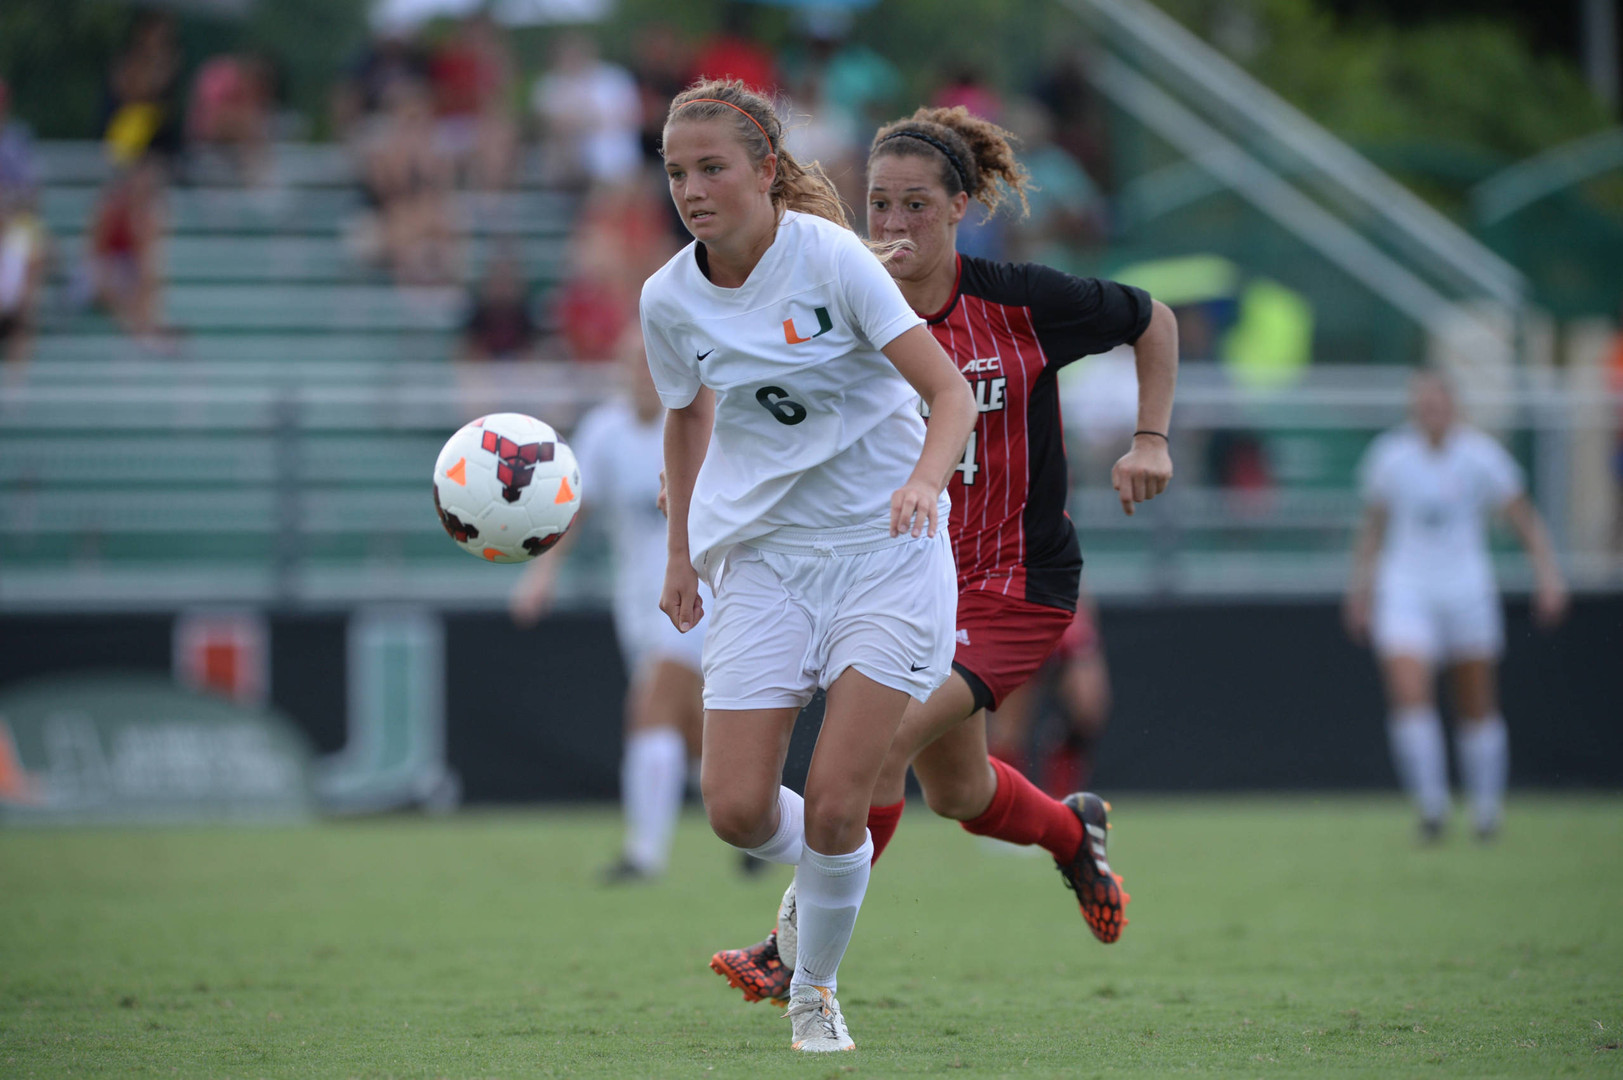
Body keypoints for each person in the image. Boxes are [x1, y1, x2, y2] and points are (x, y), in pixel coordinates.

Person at [708, 105, 1178, 1007]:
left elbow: (1151, 319)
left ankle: (789, 947)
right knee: (961, 794)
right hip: (904, 579)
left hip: (1012, 581)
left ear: (961, 207)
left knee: (875, 746)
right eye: (878, 205)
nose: (892, 227)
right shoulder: (841, 307)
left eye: (915, 206)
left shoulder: (1019, 301)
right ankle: (1072, 836)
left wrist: (1148, 438)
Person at [644, 80, 977, 1051]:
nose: (692, 189)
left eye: (713, 168)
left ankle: (815, 988)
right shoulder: (668, 297)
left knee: (839, 804)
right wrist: (680, 551)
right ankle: (825, 889)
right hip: (766, 563)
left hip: (886, 555)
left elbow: (949, 396)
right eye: (675, 172)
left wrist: (923, 482)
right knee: (738, 811)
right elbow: (684, 413)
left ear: (765, 171)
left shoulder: (831, 258)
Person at [510, 331, 704, 882]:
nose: (643, 373)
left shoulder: (696, 421)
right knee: (692, 727)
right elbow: (577, 508)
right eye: (633, 363)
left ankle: (644, 854)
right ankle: (753, 816)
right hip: (636, 604)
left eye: (652, 363)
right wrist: (542, 573)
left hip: (699, 595)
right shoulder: (604, 431)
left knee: (651, 708)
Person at [1345, 370, 1567, 842]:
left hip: (1467, 591)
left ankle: (1486, 811)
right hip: (1406, 590)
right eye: (1423, 404)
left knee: (1476, 703)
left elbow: (1523, 518)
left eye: (1439, 404)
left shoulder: (1481, 456)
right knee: (1409, 696)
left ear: (1454, 407)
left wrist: (1548, 576)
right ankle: (1432, 808)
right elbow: (1373, 528)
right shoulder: (1390, 456)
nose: (1432, 413)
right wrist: (1360, 591)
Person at [987, 590, 1111, 798]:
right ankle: (1003, 806)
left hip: (1064, 607)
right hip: (1024, 609)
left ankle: (1063, 800)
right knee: (1009, 735)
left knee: (1088, 710)